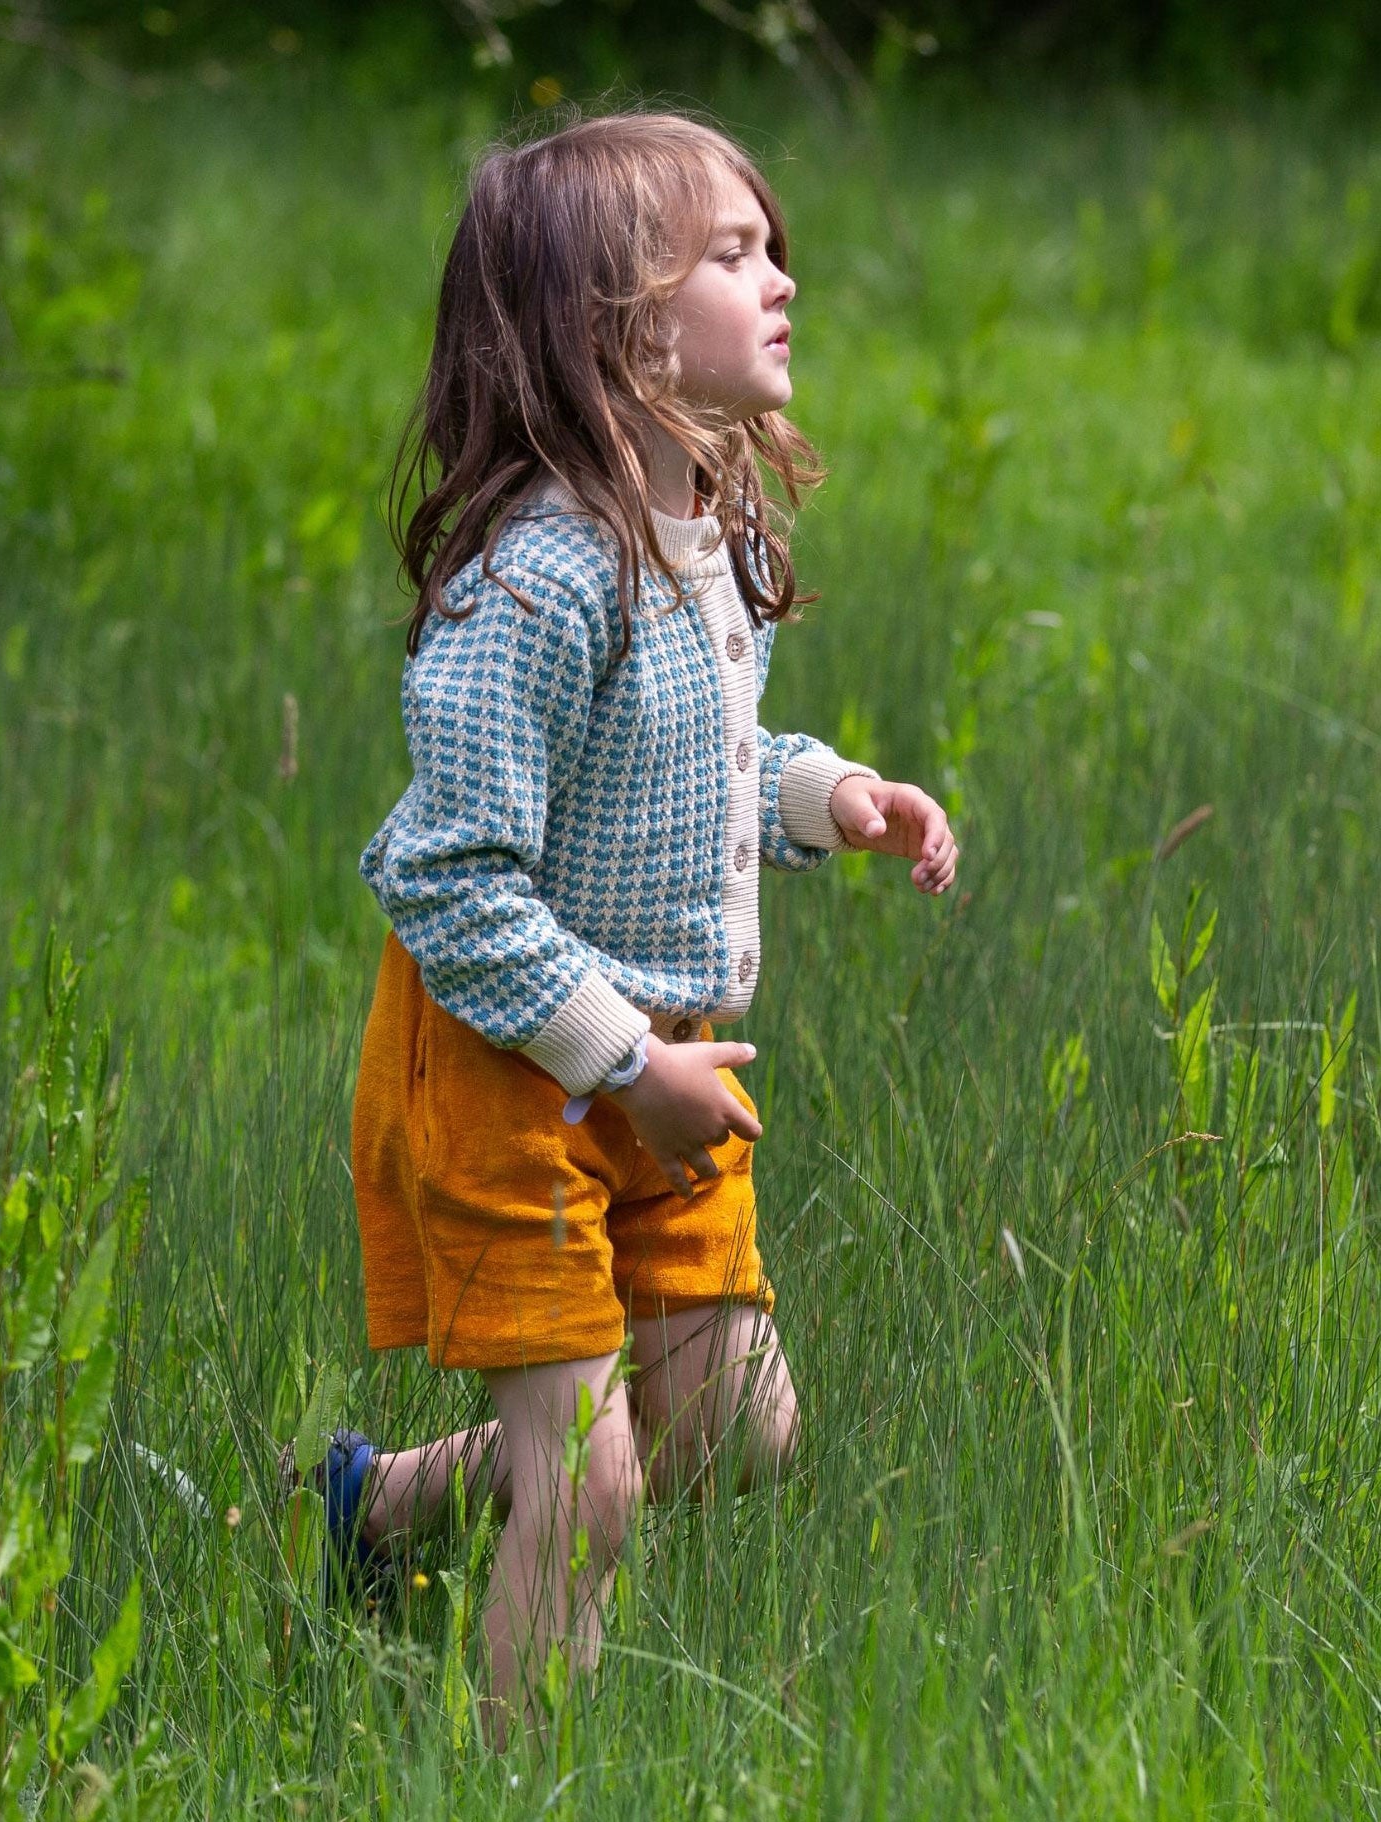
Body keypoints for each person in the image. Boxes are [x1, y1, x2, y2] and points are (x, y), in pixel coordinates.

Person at [319, 109, 957, 1744]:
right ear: (618, 322)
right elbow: (449, 876)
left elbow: (689, 766)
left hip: (653, 1068)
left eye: (773, 246)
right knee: (590, 1487)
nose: (783, 279)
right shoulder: (537, 579)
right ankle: (518, 1772)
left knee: (737, 1429)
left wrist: (832, 796)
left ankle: (378, 1514)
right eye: (734, 257)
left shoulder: (708, 533)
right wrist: (616, 1064)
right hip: (509, 1062)